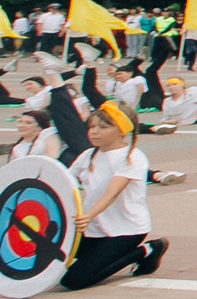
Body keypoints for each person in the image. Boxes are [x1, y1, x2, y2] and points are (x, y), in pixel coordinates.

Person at [59, 99, 171, 287]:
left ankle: (147, 250)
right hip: (92, 230)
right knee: (52, 255)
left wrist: (88, 216)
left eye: (103, 127)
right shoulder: (87, 156)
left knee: (74, 280)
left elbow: (113, 193)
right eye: (92, 126)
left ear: (122, 130)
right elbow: (63, 182)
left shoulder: (132, 157)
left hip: (126, 230)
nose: (94, 131)